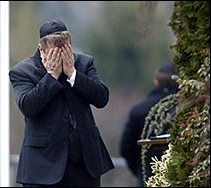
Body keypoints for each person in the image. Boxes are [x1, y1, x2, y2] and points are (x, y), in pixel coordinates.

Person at [9, 20, 114, 187]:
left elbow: (102, 98)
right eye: (54, 53)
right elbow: (28, 106)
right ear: (41, 49)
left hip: (84, 164)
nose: (60, 57)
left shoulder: (84, 64)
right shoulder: (23, 71)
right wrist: (51, 77)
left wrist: (73, 74)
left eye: (64, 51)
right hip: (42, 166)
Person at [119, 61, 179, 187]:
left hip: (148, 176)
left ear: (156, 81)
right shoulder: (185, 108)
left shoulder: (139, 111)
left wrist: (141, 170)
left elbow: (126, 147)